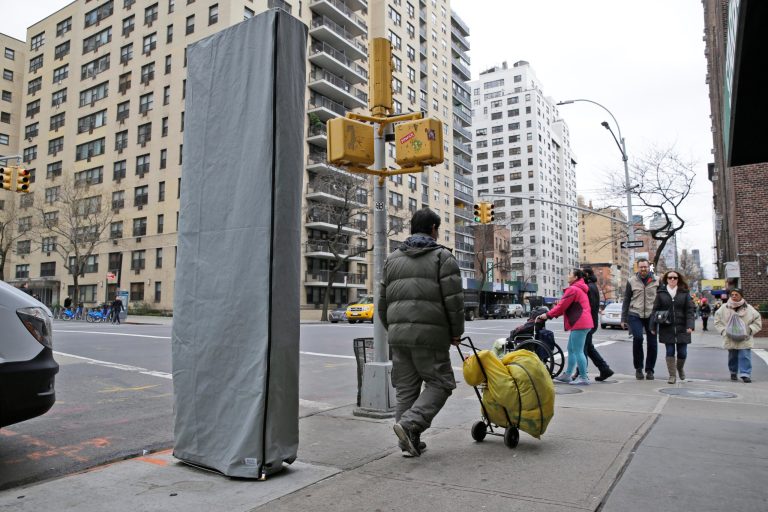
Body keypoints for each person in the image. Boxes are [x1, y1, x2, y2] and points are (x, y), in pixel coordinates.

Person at [379, 208, 464, 458]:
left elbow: (382, 303)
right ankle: (409, 425)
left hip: (398, 336)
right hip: (431, 337)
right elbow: (454, 301)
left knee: (406, 389)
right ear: (433, 229)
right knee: (441, 382)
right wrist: (456, 331)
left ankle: (408, 442)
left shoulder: (392, 258)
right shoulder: (442, 257)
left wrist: (394, 328)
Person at [537, 268, 594, 385]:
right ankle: (568, 374)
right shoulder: (579, 289)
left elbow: (562, 306)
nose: (568, 276)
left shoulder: (573, 289)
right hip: (582, 322)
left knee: (578, 351)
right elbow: (566, 305)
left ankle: (584, 377)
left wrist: (547, 315)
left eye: (570, 274)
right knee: (571, 350)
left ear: (576, 277)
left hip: (580, 323)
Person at [650, 270, 695, 384]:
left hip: (683, 327)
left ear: (678, 279)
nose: (672, 280)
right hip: (667, 327)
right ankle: (672, 375)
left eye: (675, 278)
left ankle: (680, 368)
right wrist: (653, 326)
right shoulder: (661, 293)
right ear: (666, 279)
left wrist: (690, 325)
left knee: (682, 353)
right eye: (670, 278)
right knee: (669, 351)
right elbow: (655, 310)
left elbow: (690, 311)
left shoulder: (684, 293)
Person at [621, 258, 659, 380]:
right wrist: (623, 318)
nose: (643, 269)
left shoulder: (657, 280)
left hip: (651, 315)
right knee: (638, 338)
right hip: (635, 314)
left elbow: (662, 298)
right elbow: (626, 299)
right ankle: (638, 368)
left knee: (652, 344)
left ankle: (650, 370)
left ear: (649, 267)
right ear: (638, 268)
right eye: (641, 267)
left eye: (645, 267)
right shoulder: (631, 281)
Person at [713, 288, 763, 383]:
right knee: (733, 356)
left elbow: (757, 321)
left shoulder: (749, 308)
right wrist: (723, 331)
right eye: (732, 295)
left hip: (745, 337)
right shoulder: (724, 307)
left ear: (741, 296)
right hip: (730, 337)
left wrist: (750, 330)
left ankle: (745, 374)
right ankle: (733, 372)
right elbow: (717, 320)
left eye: (736, 294)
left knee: (745, 355)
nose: (734, 296)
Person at [574, 267, 614, 382]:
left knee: (583, 349)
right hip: (591, 322)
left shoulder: (589, 288)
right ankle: (605, 369)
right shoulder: (592, 286)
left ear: (586, 274)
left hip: (588, 323)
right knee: (589, 348)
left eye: (582, 274)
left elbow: (588, 307)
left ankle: (580, 373)